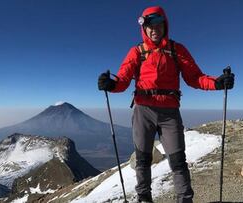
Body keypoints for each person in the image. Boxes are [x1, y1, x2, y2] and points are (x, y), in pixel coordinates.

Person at [97, 6, 234, 203]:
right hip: (143, 110)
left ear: (165, 25)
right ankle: (144, 198)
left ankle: (185, 199)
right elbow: (123, 79)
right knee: (143, 160)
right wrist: (111, 84)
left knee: (178, 161)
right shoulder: (137, 52)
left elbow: (195, 77)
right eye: (149, 26)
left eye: (158, 25)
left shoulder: (176, 50)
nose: (154, 30)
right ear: (144, 29)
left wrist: (217, 83)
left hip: (169, 113)